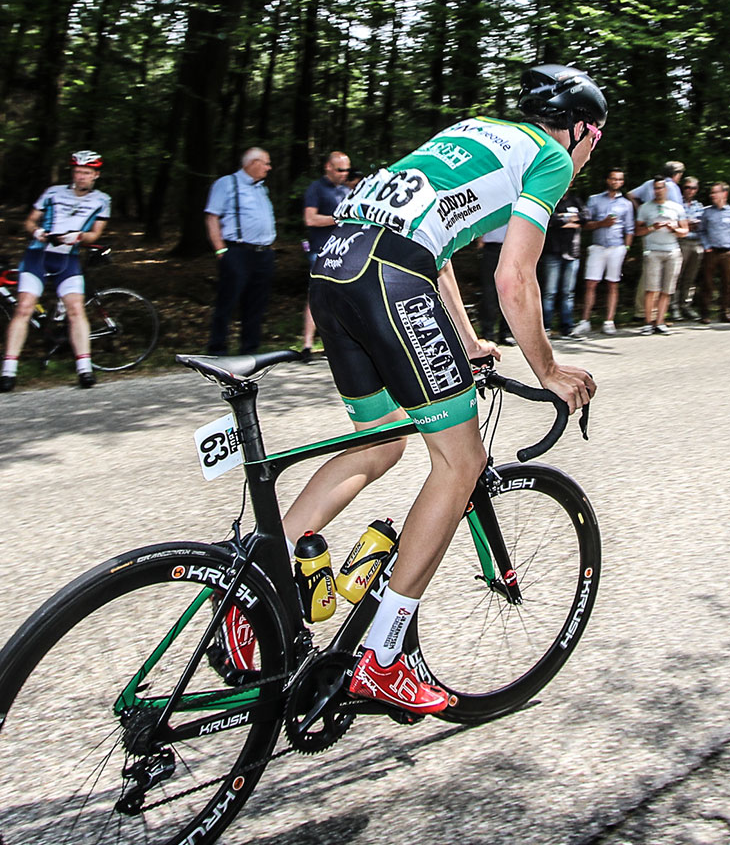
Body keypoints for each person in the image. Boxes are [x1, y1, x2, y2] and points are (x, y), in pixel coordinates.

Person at [248, 64, 601, 715]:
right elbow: (514, 279)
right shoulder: (549, 158)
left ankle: (252, 598)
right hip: (389, 276)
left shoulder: (477, 130)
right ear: (580, 130)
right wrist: (549, 370)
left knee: (381, 443)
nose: (591, 151)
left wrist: (465, 339)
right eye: (595, 137)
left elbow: (430, 245)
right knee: (461, 462)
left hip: (335, 268)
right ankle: (383, 657)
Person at [0, 150, 111, 392]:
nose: (81, 176)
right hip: (37, 256)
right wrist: (37, 231)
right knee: (24, 307)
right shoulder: (53, 192)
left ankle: (85, 370)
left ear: (96, 175)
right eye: (77, 172)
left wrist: (79, 236)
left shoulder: (102, 200)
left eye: (86, 172)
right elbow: (30, 221)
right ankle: (8, 372)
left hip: (68, 260)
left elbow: (95, 234)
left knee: (76, 309)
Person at [204, 147, 276, 355]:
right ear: (252, 163)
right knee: (227, 302)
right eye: (266, 163)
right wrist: (220, 251)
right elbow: (212, 217)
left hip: (263, 254)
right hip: (238, 252)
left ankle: (250, 350)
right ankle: (218, 350)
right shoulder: (227, 183)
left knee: (256, 304)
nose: (269, 167)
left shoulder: (261, 188)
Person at [301, 152, 352, 351]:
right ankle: (307, 343)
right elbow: (310, 219)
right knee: (317, 296)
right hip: (320, 251)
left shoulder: (347, 190)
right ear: (328, 167)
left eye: (347, 170)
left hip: (345, 251)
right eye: (340, 170)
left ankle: (339, 342)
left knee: (343, 296)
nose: (344, 173)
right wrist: (338, 218)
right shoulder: (316, 188)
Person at [574, 168, 633, 336]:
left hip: (617, 247)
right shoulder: (594, 200)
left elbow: (629, 229)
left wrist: (626, 249)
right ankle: (585, 321)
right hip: (598, 247)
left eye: (619, 179)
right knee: (590, 284)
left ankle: (609, 321)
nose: (616, 182)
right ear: (608, 180)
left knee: (613, 284)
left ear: (622, 182)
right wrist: (602, 223)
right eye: (613, 178)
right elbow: (585, 224)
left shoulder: (626, 204)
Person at [635, 178, 688, 334]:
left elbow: (685, 231)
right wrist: (652, 227)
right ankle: (648, 322)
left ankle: (660, 322)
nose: (658, 191)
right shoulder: (645, 208)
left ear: (666, 190)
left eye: (661, 188)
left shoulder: (677, 207)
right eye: (656, 188)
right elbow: (638, 231)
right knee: (651, 288)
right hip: (653, 251)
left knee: (667, 289)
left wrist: (674, 229)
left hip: (672, 251)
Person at [540, 192, 587, 337]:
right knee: (550, 292)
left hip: (572, 252)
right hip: (552, 252)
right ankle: (545, 328)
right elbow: (550, 219)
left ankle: (567, 328)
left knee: (568, 293)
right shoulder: (551, 198)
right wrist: (572, 220)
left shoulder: (576, 200)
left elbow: (586, 217)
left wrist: (562, 219)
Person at [697, 182, 730, 324]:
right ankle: (705, 313)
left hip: (727, 252)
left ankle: (726, 312)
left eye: (715, 192)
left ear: (724, 194)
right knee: (707, 283)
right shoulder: (707, 212)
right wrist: (706, 245)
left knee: (727, 283)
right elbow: (701, 230)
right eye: (711, 192)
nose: (712, 195)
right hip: (711, 251)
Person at [673, 176, 704, 320]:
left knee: (690, 277)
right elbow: (678, 224)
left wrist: (689, 224)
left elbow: (702, 224)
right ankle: (674, 307)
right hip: (682, 242)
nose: (690, 190)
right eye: (687, 187)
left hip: (697, 243)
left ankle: (686, 305)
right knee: (677, 276)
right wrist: (687, 224)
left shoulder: (699, 205)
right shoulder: (677, 204)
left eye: (693, 188)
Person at [477, 227, 514, 345]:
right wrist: (480, 240)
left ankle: (506, 333)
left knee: (509, 292)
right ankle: (488, 334)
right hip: (491, 248)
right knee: (489, 293)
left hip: (511, 248)